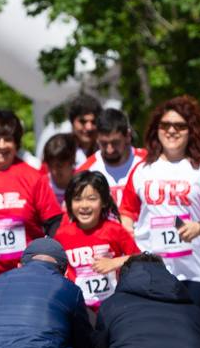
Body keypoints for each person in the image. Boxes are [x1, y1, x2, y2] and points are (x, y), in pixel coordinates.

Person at [119, 97, 200, 308]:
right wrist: (128, 231)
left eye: (180, 126)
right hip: (151, 264)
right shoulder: (141, 169)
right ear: (157, 129)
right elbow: (127, 211)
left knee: (188, 329)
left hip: (194, 267)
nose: (172, 131)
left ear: (190, 130)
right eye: (165, 125)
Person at [0, 110, 62, 276]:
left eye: (7, 139)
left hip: (27, 269)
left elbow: (54, 222)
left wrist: (47, 258)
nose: (1, 146)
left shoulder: (33, 176)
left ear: (16, 143)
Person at [55, 171, 141, 311]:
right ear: (69, 203)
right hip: (79, 309)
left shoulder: (115, 230)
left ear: (104, 201)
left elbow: (141, 259)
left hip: (113, 306)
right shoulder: (62, 234)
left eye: (92, 198)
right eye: (77, 199)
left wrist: (115, 262)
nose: (84, 205)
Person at [79, 108, 140, 201]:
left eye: (115, 142)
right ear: (97, 139)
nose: (109, 150)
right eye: (103, 143)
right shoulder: (86, 171)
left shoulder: (148, 162)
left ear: (127, 136)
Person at [42, 133, 78, 204]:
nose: (54, 171)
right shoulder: (41, 186)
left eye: (59, 166)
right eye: (50, 165)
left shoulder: (83, 184)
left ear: (72, 160)